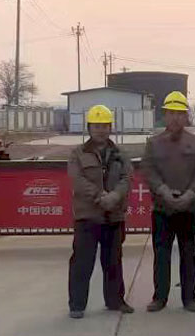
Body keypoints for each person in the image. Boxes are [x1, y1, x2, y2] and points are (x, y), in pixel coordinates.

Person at [141, 90, 195, 313]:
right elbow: (148, 169)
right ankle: (159, 297)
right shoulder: (153, 143)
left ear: (186, 116)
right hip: (163, 209)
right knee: (161, 255)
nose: (175, 118)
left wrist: (191, 194)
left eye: (180, 113)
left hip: (188, 209)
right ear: (164, 115)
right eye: (171, 113)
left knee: (189, 254)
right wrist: (163, 191)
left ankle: (189, 298)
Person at [67, 104, 134, 319]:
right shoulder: (78, 153)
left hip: (113, 216)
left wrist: (114, 197)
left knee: (113, 262)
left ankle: (115, 301)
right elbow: (77, 180)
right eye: (96, 126)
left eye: (104, 126)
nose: (101, 130)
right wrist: (99, 196)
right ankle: (77, 305)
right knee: (82, 262)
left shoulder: (120, 154)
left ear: (110, 127)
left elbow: (126, 178)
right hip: (87, 217)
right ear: (89, 127)